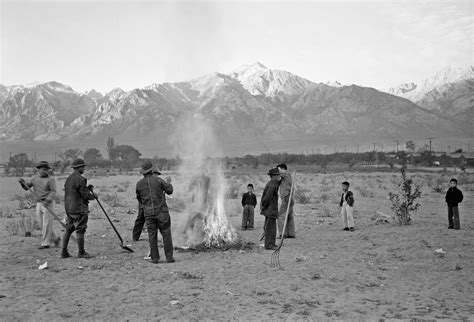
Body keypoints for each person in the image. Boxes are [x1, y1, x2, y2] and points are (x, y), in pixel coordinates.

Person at [136, 161, 174, 263]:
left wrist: (146, 205)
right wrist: (169, 182)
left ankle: (155, 258)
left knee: (152, 235)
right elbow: (169, 191)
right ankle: (169, 257)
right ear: (151, 170)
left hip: (148, 213)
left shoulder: (139, 184)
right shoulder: (159, 180)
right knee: (166, 234)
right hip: (162, 212)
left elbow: (139, 199)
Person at [19, 161, 60, 249]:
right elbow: (27, 187)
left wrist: (47, 200)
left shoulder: (50, 179)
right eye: (43, 169)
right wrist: (22, 183)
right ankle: (56, 238)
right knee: (41, 224)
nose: (45, 171)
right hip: (39, 203)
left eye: (47, 169)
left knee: (47, 224)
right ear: (38, 169)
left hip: (48, 204)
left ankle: (45, 243)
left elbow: (53, 192)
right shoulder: (34, 178)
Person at [62, 158, 97, 258]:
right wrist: (94, 196)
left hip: (69, 209)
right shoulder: (81, 179)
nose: (84, 169)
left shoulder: (69, 179)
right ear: (79, 168)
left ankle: (64, 252)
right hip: (79, 209)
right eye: (83, 167)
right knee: (80, 229)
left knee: (69, 229)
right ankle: (81, 252)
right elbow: (85, 195)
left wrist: (88, 188)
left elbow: (75, 191)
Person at [132, 168, 162, 241]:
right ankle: (135, 237)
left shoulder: (157, 182)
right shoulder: (142, 182)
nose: (157, 176)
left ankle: (154, 238)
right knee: (141, 219)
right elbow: (138, 194)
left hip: (151, 205)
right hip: (144, 204)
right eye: (155, 174)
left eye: (157, 174)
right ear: (152, 173)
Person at [260, 168, 280, 250]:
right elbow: (267, 198)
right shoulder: (271, 185)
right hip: (270, 209)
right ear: (273, 176)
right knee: (270, 229)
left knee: (272, 228)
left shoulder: (274, 183)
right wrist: (264, 206)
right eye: (277, 175)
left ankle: (272, 244)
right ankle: (269, 245)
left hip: (271, 210)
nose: (279, 176)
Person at [277, 163, 295, 238]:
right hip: (290, 198)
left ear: (283, 169)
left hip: (286, 197)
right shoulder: (289, 175)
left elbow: (277, 175)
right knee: (289, 216)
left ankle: (282, 234)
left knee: (281, 216)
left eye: (279, 169)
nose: (278, 171)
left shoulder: (285, 174)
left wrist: (277, 171)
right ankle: (291, 233)